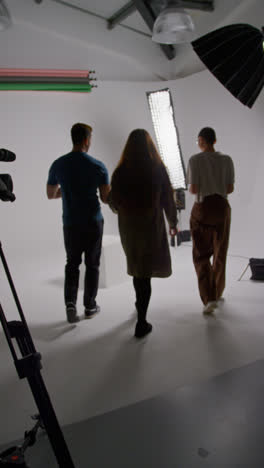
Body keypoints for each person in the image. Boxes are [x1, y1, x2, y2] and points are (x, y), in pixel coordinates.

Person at [108, 129, 178, 338]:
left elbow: (114, 203)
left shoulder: (121, 172)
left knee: (138, 269)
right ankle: (141, 320)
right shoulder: (157, 169)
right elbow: (168, 198)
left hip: (129, 229)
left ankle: (140, 308)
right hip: (151, 227)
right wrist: (173, 222)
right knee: (144, 272)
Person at [47, 123, 110, 323]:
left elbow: (50, 194)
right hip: (93, 222)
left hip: (71, 223)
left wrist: (66, 191)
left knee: (72, 264)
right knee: (92, 264)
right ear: (86, 140)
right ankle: (90, 306)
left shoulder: (59, 164)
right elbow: (106, 198)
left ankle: (70, 304)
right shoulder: (98, 165)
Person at [187, 127, 235, 314]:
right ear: (214, 141)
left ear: (201, 141)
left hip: (203, 208)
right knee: (220, 252)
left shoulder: (195, 160)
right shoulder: (227, 160)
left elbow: (193, 190)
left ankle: (209, 299)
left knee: (201, 255)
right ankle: (218, 291)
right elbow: (230, 188)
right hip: (222, 207)